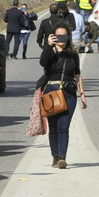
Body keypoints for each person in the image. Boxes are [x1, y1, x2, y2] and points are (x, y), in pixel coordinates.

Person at [38, 26, 86, 168]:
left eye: (64, 36)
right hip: (51, 92)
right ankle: (55, 156)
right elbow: (42, 62)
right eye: (58, 35)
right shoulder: (49, 52)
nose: (61, 38)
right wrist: (48, 45)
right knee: (54, 127)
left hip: (68, 92)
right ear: (53, 36)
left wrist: (82, 94)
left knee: (64, 126)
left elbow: (77, 74)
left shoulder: (73, 54)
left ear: (68, 37)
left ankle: (62, 158)